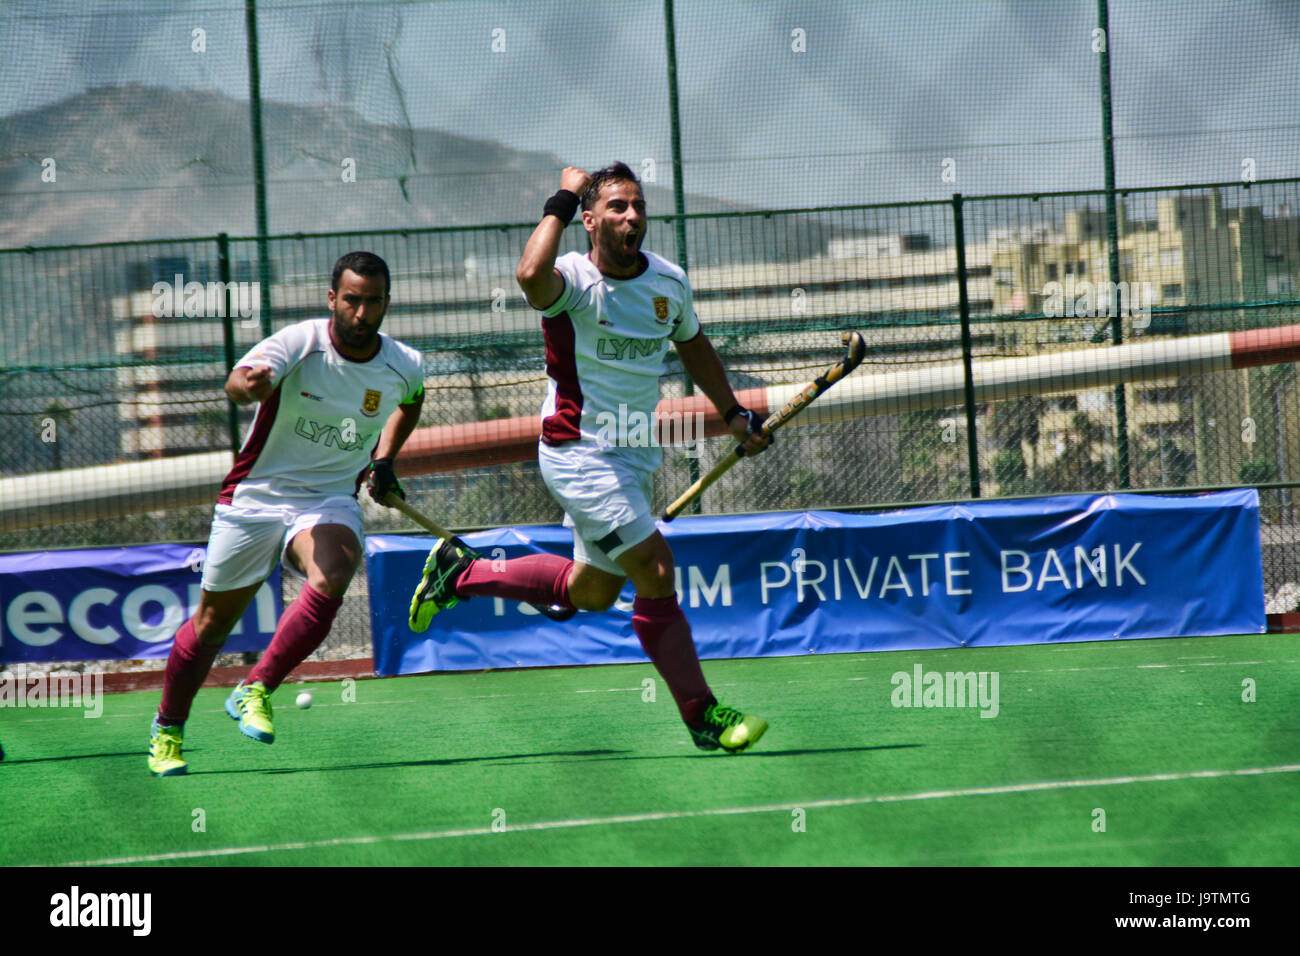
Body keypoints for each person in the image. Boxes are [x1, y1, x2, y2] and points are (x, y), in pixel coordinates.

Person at [409, 163, 772, 754]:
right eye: (617, 207)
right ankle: (703, 714)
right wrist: (563, 193)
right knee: (654, 568)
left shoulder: (669, 283)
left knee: (594, 592)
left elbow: (693, 347)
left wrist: (732, 412)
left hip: (633, 459)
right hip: (576, 451)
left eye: (638, 206)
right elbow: (528, 276)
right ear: (590, 219)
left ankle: (462, 574)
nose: (632, 217)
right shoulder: (572, 279)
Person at [147, 251, 424, 776]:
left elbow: (412, 401)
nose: (362, 313)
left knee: (336, 568)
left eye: (373, 302)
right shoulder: (300, 344)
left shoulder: (404, 364)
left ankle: (256, 688)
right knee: (212, 625)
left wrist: (384, 458)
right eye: (352, 300)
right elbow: (237, 380)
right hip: (256, 495)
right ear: (332, 299)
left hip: (328, 497)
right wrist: (246, 386)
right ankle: (168, 730)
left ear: (387, 302)